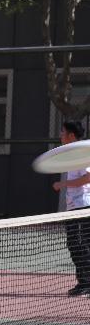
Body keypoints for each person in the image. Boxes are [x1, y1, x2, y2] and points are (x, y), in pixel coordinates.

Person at [52, 120, 90, 296]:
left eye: (63, 132)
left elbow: (87, 178)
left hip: (82, 206)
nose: (60, 135)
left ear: (71, 135)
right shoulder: (73, 153)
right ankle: (83, 282)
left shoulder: (81, 154)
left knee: (79, 244)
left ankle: (86, 283)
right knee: (75, 244)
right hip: (74, 207)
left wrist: (63, 184)